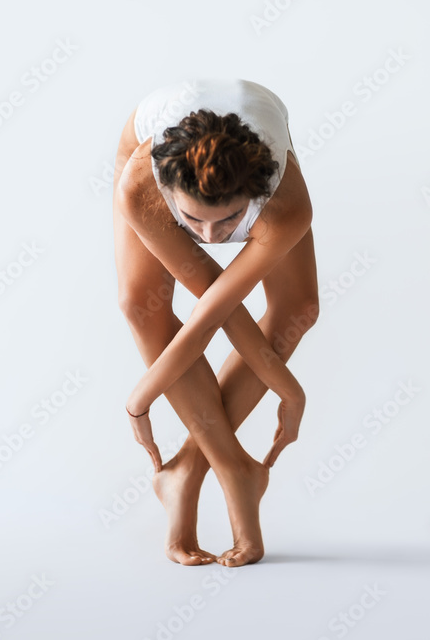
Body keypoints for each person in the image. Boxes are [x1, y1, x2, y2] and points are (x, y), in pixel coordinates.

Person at [111, 79, 318, 567]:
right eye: (193, 222)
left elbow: (217, 315)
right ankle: (232, 470)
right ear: (169, 195)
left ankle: (186, 469)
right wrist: (138, 404)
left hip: (258, 164)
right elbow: (210, 311)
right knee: (141, 301)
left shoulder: (285, 206)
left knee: (299, 308)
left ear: (253, 197)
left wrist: (293, 391)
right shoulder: (143, 186)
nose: (208, 238)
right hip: (147, 168)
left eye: (227, 224)